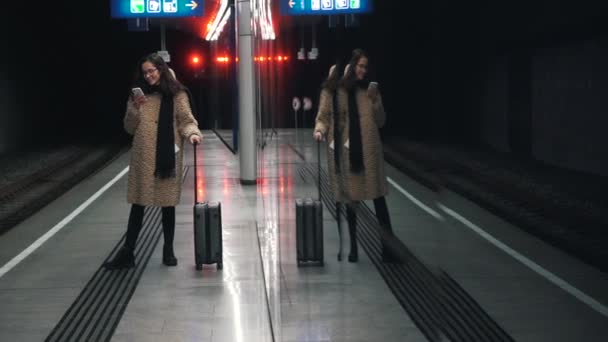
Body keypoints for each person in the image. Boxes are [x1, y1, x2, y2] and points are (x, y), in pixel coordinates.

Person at [104, 53, 202, 269]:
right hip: (143, 158)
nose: (148, 76)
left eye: (152, 71)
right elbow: (129, 128)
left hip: (167, 157)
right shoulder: (137, 96)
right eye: (145, 72)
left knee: (168, 206)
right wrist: (135, 108)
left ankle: (168, 250)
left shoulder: (177, 93)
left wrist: (193, 133)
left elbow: (186, 120)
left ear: (161, 69)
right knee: (138, 206)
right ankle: (128, 253)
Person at [315, 48, 397, 263]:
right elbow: (324, 116)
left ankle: (389, 251)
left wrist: (376, 101)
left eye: (365, 67)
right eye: (360, 66)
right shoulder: (336, 89)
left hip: (370, 154)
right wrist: (319, 130)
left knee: (380, 202)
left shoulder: (368, 91)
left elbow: (381, 122)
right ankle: (353, 249)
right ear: (351, 67)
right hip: (348, 154)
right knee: (352, 200)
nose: (363, 70)